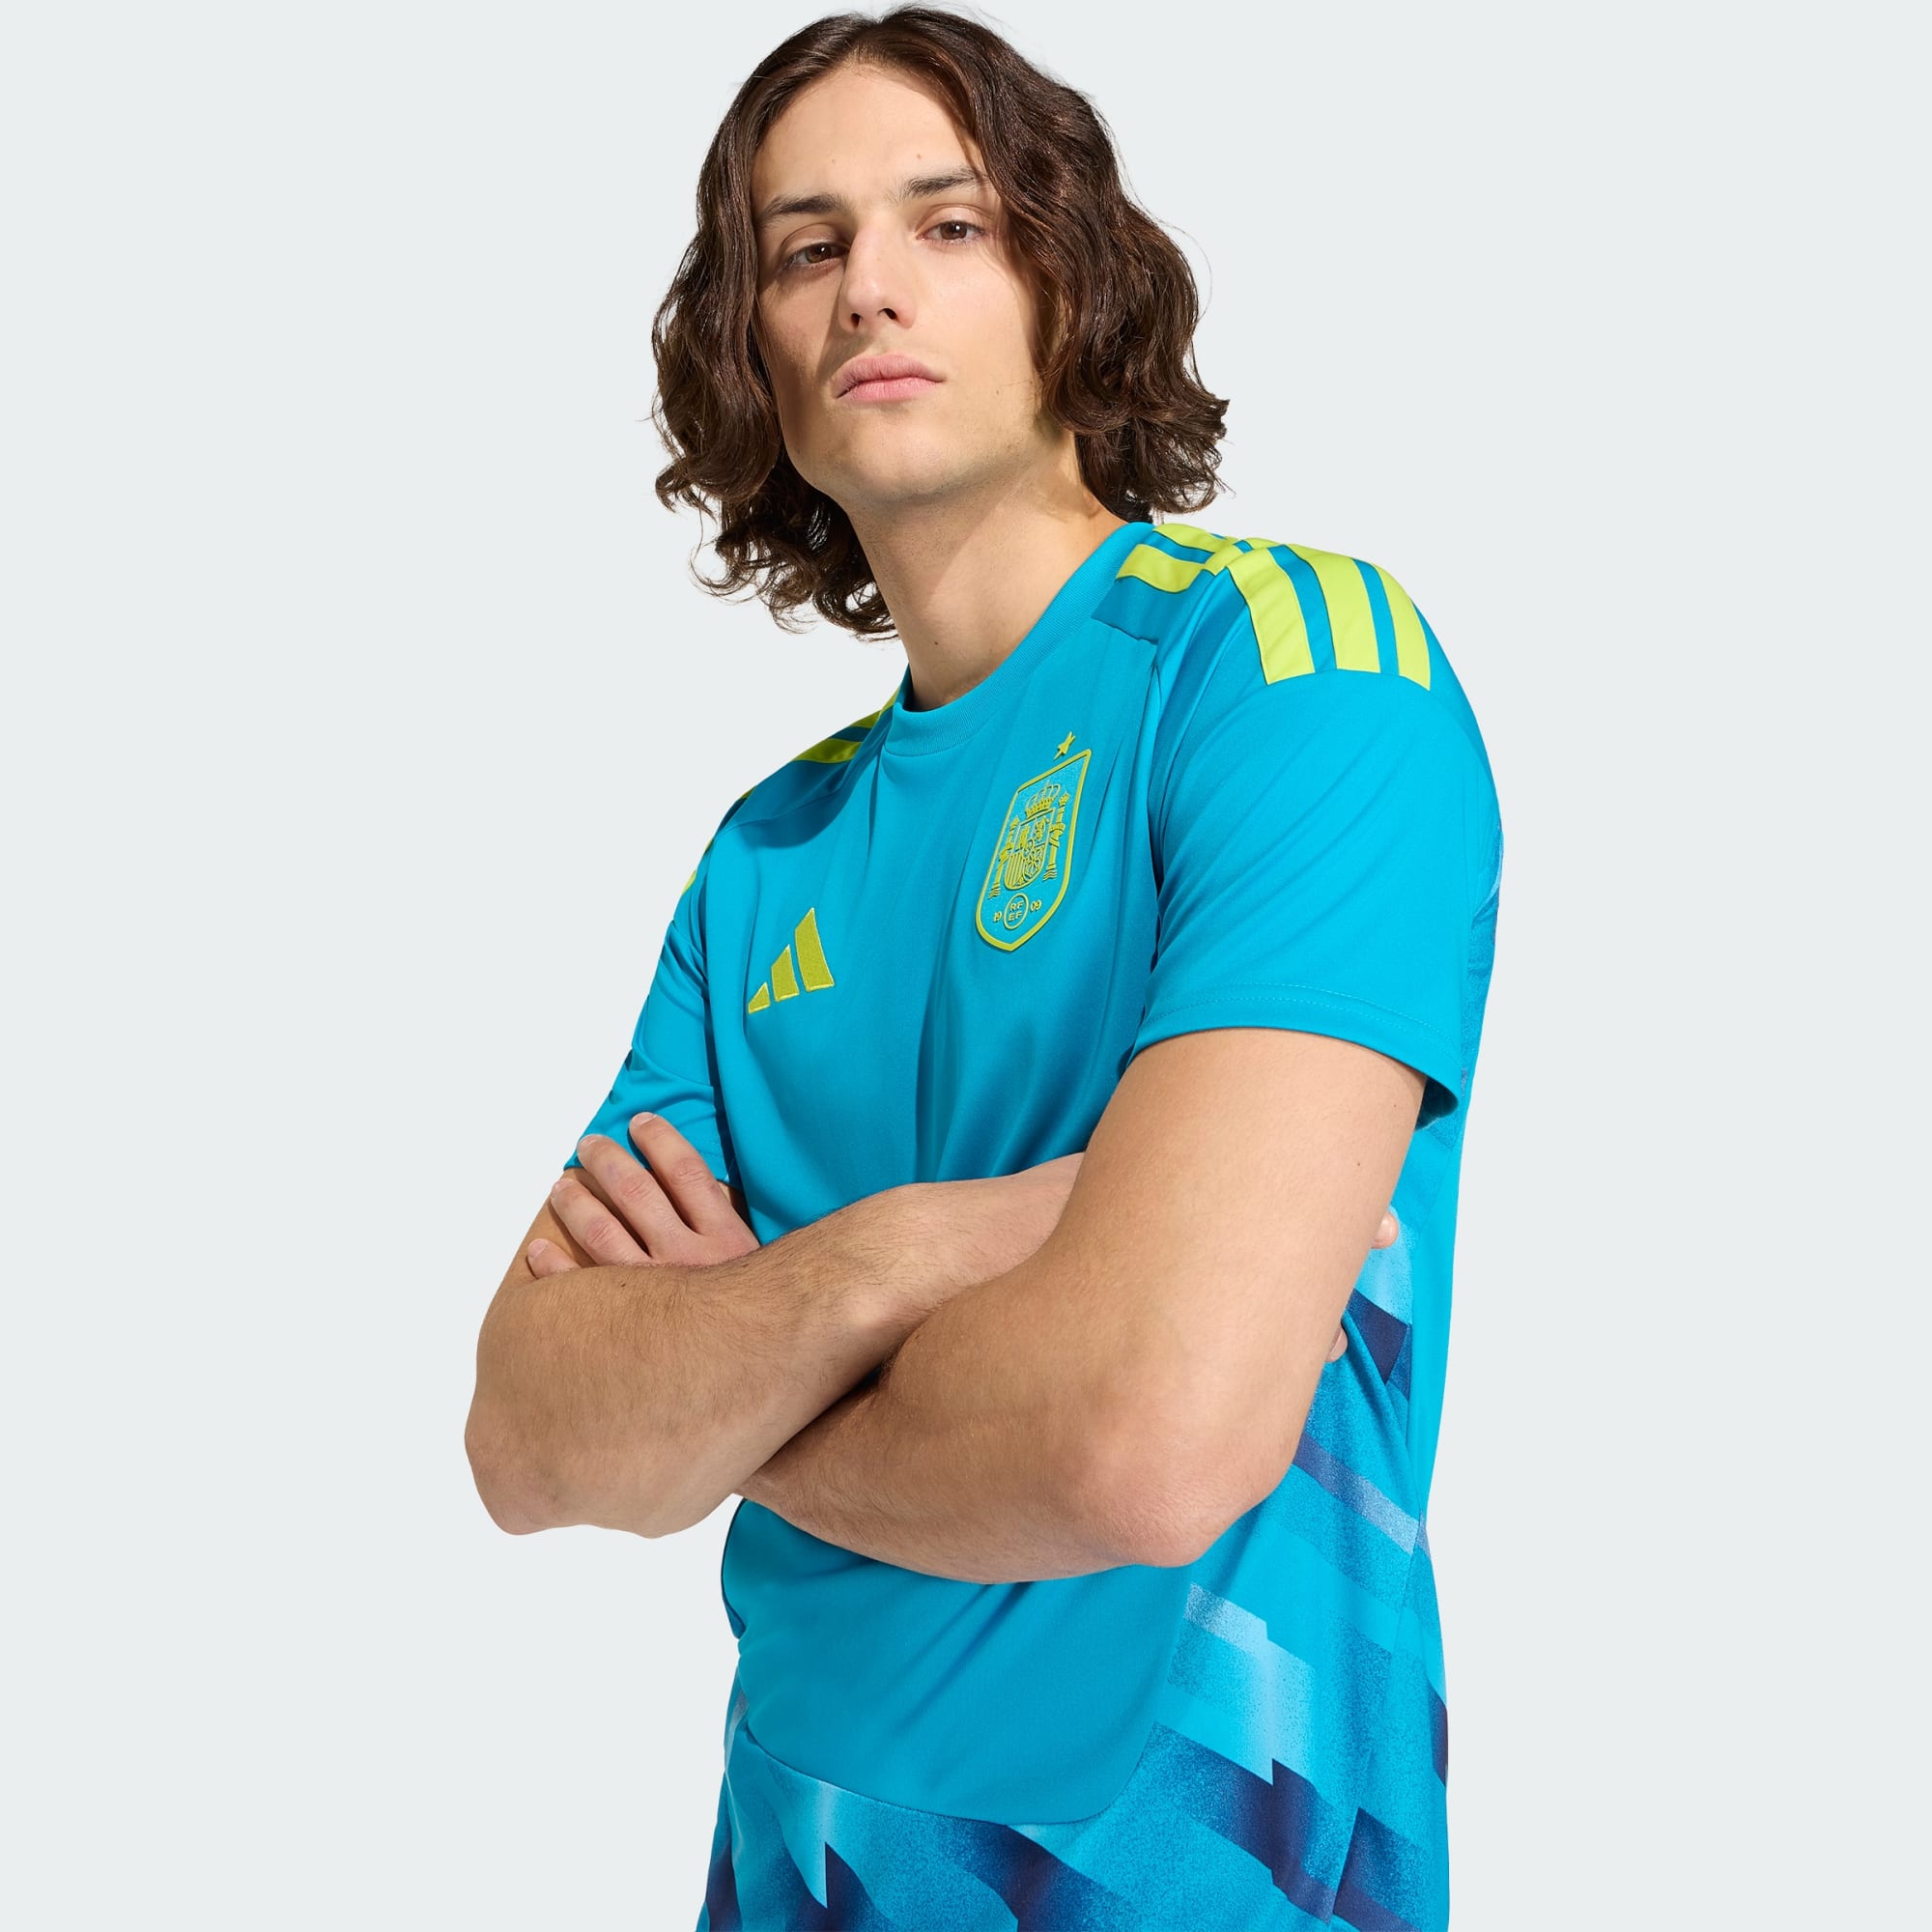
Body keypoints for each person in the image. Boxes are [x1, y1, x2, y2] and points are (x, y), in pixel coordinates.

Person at [464, 9, 1503, 1928]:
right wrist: (913, 1251)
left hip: (1204, 1855)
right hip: (800, 1857)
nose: (869, 285)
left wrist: (732, 1384)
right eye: (805, 247)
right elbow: (533, 1437)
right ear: (752, 350)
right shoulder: (767, 853)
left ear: (1068, 283)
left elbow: (1146, 1441)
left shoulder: (1292, 670)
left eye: (948, 224)